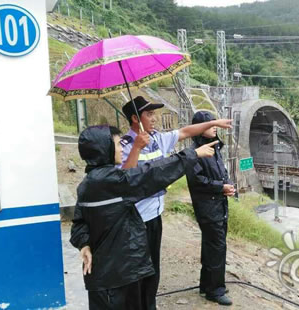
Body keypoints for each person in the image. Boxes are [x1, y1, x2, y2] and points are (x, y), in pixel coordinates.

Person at [70, 125, 218, 310]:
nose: (122, 148)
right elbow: (154, 172)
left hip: (102, 275)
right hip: (120, 275)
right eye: (117, 144)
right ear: (104, 149)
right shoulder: (115, 182)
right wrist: (193, 154)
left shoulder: (87, 184)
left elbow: (78, 223)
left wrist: (84, 243)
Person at [119, 96, 232, 309]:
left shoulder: (158, 139)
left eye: (154, 114)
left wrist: (213, 123)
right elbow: (124, 180)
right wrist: (136, 148)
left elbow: (186, 131)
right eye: (149, 114)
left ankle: (149, 304)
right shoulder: (124, 144)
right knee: (137, 269)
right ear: (135, 118)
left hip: (154, 215)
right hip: (135, 218)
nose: (154, 118)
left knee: (153, 267)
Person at [186, 111, 236, 306]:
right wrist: (219, 187)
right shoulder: (195, 152)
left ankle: (207, 284)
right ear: (199, 129)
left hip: (218, 204)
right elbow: (196, 181)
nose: (215, 126)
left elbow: (221, 173)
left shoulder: (215, 148)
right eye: (210, 124)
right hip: (208, 207)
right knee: (217, 247)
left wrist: (228, 185)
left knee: (211, 246)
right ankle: (216, 290)